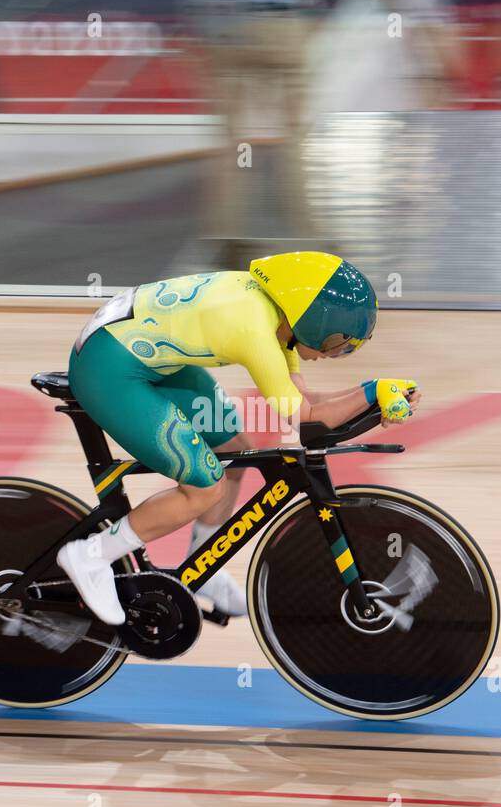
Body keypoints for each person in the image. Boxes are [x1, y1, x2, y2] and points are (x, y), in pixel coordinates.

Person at [56, 251, 420, 625]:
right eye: (337, 345)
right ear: (312, 322)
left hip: (144, 355)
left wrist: (374, 394)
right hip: (109, 368)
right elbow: (306, 418)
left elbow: (304, 402)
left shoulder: (280, 319)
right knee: (204, 486)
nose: (334, 355)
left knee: (235, 454)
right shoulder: (254, 331)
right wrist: (374, 389)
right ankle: (92, 555)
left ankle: (204, 564)